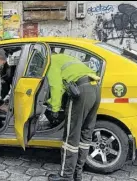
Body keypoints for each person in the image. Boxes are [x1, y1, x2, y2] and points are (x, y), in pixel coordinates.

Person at [46, 53, 101, 181]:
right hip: (95, 88)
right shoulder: (66, 58)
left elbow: (56, 86)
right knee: (86, 134)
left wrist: (54, 108)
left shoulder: (51, 62)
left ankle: (66, 175)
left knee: (71, 136)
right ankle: (77, 173)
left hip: (80, 91)